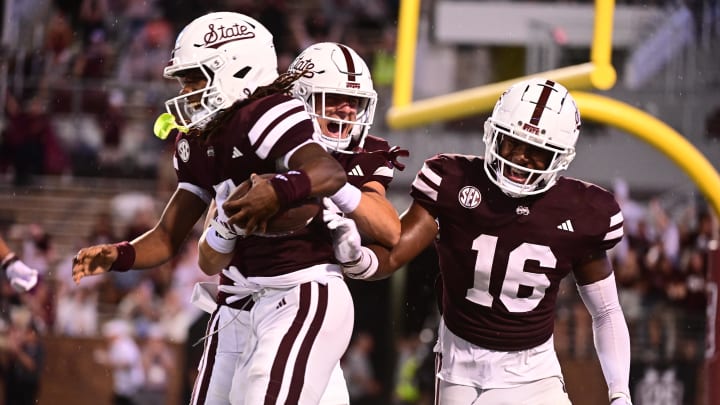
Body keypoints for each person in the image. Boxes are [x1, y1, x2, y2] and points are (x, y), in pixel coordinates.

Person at [71, 11, 347, 405]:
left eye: (194, 77)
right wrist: (120, 254)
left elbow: (326, 171)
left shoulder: (265, 112)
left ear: (238, 69)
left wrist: (279, 192)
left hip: (299, 291)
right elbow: (168, 235)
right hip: (235, 301)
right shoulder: (198, 140)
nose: (185, 92)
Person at [329, 78, 633, 404]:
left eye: (537, 153)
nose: (520, 159)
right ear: (492, 135)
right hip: (460, 366)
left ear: (560, 158)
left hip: (532, 371)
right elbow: (394, 255)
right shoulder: (453, 182)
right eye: (512, 143)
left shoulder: (583, 211)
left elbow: (606, 311)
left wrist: (620, 393)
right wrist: (358, 259)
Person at [195, 41, 406, 405]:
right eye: (333, 99)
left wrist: (327, 183)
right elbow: (210, 259)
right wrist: (228, 221)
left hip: (302, 303)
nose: (346, 110)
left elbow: (389, 229)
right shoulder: (261, 141)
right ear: (300, 102)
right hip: (236, 309)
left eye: (354, 102)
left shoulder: (363, 153)